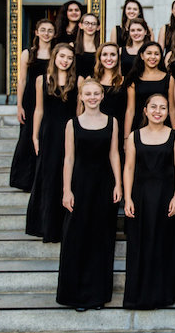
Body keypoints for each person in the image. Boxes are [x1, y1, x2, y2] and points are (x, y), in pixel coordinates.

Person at [56, 79, 122, 311]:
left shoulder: (112, 122)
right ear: (81, 97)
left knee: (101, 239)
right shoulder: (72, 124)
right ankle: (77, 296)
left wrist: (119, 184)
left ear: (102, 96)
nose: (93, 97)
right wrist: (66, 190)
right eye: (88, 94)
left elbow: (114, 154)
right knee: (78, 238)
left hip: (104, 184)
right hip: (80, 185)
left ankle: (97, 296)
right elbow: (69, 159)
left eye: (97, 93)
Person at [123, 94, 175, 309]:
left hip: (165, 196)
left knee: (163, 244)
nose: (158, 111)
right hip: (140, 196)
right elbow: (129, 168)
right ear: (145, 110)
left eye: (163, 108)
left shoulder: (174, 136)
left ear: (168, 112)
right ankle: (138, 295)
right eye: (154, 107)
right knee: (140, 244)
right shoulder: (134, 136)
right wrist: (128, 197)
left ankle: (162, 294)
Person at [26, 43, 78, 243]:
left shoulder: (78, 80)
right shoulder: (42, 80)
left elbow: (78, 112)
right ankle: (47, 226)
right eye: (62, 56)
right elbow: (39, 110)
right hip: (49, 132)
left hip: (69, 132)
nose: (65, 60)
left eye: (69, 58)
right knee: (48, 176)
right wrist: (35, 135)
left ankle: (64, 225)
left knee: (66, 176)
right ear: (54, 57)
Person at [11, 19, 54, 192]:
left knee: (43, 136)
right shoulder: (28, 53)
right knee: (27, 137)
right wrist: (19, 104)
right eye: (43, 30)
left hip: (48, 97)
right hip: (30, 99)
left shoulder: (56, 53)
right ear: (36, 32)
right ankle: (24, 180)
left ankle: (41, 179)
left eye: (50, 30)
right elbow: (22, 80)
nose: (46, 33)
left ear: (54, 34)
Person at [124, 41, 175, 139]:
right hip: (139, 126)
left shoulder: (169, 79)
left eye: (156, 54)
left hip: (163, 125)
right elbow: (130, 110)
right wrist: (126, 137)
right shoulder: (133, 79)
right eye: (149, 53)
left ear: (161, 57)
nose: (153, 57)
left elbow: (172, 109)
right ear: (142, 56)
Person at [93, 42, 127, 162]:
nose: (109, 58)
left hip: (118, 130)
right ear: (99, 57)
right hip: (96, 130)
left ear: (118, 58)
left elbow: (129, 110)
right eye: (105, 55)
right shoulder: (92, 81)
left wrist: (126, 137)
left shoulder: (126, 81)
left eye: (113, 55)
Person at [73, 13, 101, 78]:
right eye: (86, 23)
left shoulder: (101, 48)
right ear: (80, 25)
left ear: (98, 27)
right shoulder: (73, 46)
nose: (90, 26)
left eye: (93, 24)